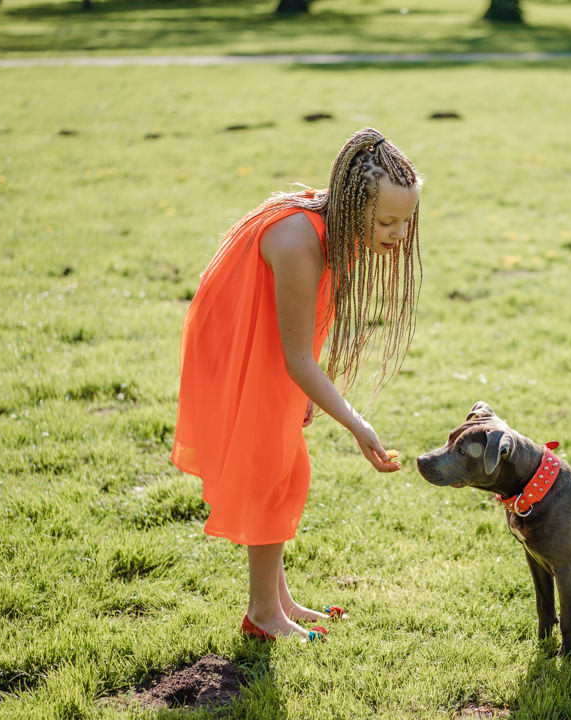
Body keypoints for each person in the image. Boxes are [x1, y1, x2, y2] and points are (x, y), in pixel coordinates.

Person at [171, 128, 423, 642]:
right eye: (387, 221)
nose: (399, 233)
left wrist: (308, 392)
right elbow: (294, 355)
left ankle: (279, 601)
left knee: (288, 468)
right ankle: (262, 615)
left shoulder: (336, 228)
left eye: (406, 220)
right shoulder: (298, 240)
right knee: (270, 468)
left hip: (273, 344)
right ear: (355, 209)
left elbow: (310, 322)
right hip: (238, 344)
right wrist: (355, 422)